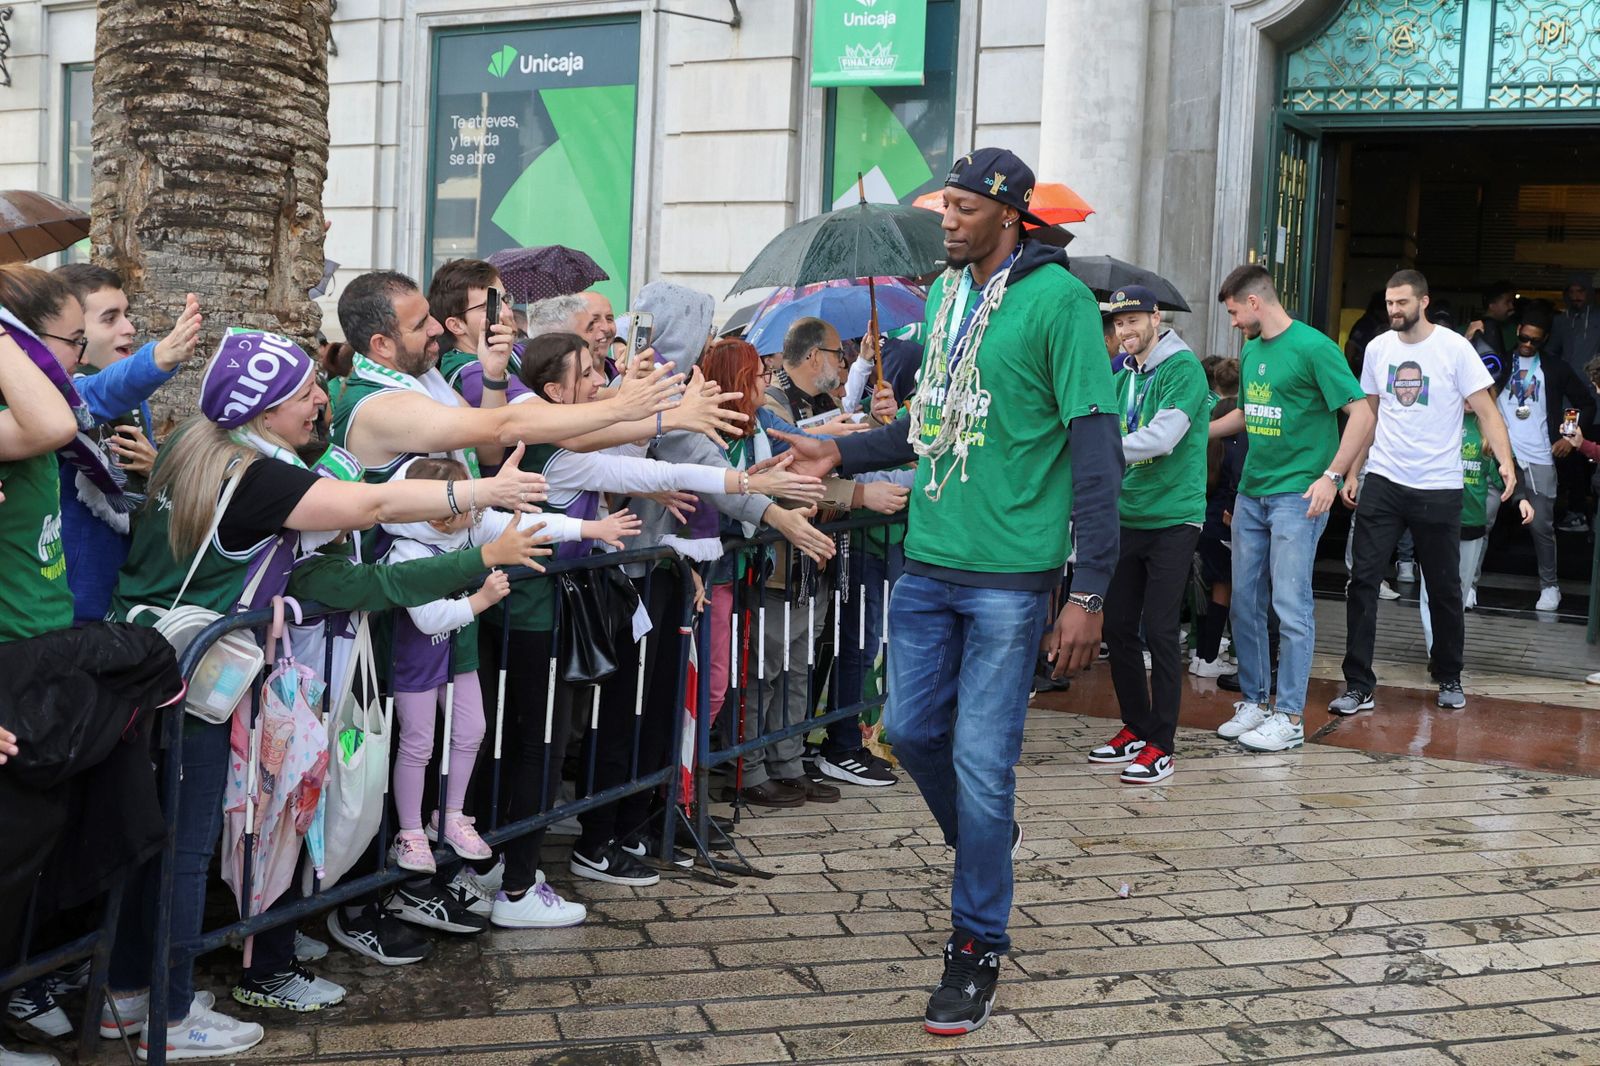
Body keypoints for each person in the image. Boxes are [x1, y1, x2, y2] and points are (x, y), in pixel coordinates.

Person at [102, 329, 548, 1058]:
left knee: (156, 847)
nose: (320, 400)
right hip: (188, 684)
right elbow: (368, 510)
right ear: (265, 408)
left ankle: (131, 994)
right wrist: (479, 492)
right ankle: (171, 1017)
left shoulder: (196, 442)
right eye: (306, 391)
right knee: (181, 853)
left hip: (146, 661)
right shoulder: (258, 478)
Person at [770, 147, 1121, 1037]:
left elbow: (1094, 451)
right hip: (928, 559)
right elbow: (929, 428)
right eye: (945, 207)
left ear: (1010, 214)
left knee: (982, 759)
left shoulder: (1061, 304)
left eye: (963, 208)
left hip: (1011, 575)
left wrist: (1090, 592)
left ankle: (975, 945)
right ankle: (986, 845)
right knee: (910, 731)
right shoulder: (950, 294)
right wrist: (838, 452)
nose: (948, 221)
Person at [494, 332, 827, 907]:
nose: (603, 382)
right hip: (535, 613)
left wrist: (742, 481)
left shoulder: (557, 429)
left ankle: (510, 869)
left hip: (553, 607)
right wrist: (745, 480)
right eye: (590, 374)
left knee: (537, 746)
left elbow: (644, 468)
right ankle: (517, 881)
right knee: (535, 749)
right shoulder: (559, 444)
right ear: (554, 389)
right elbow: (648, 476)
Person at [380, 456, 636, 875]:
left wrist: (591, 528)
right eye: (469, 501)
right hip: (418, 661)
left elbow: (531, 527)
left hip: (458, 653)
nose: (479, 509)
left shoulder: (469, 525)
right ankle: (408, 832)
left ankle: (450, 814)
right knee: (418, 744)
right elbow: (426, 618)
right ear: (442, 516)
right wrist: (481, 600)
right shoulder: (407, 549)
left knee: (473, 731)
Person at [1331, 270, 1513, 715]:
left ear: (1423, 302)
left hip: (1438, 486)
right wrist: (1354, 470)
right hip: (1385, 480)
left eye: (1402, 303)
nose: (1394, 310)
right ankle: (1358, 683)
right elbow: (1367, 414)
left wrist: (1506, 462)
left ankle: (1449, 674)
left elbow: (1487, 410)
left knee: (1445, 588)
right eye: (1390, 303)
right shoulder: (1377, 347)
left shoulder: (1454, 348)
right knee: (1363, 581)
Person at [1208, 265, 1373, 753]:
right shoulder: (1255, 349)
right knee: (1244, 602)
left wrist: (1333, 475)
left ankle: (1290, 717)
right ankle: (1257, 703)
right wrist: (1196, 431)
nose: (1234, 323)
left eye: (1235, 312)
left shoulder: (1314, 347)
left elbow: (1362, 413)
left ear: (1254, 303)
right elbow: (1249, 412)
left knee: (1291, 606)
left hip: (1297, 496)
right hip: (1252, 494)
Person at [0, 266, 90, 1059]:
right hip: (10, 657)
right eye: (69, 337)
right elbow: (51, 425)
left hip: (40, 644)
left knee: (27, 853)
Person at [1090, 286, 1211, 785]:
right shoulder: (1125, 372)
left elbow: (1162, 437)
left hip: (1174, 518)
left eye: (1133, 320)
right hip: (1128, 515)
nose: (1125, 330)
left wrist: (1102, 451)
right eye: (1118, 324)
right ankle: (1135, 728)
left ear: (1156, 317)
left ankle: (1162, 744)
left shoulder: (1182, 369)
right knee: (1117, 628)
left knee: (1160, 631)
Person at [50, 264, 202, 623]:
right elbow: (96, 396)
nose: (129, 328)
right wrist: (159, 357)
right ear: (73, 334)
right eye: (109, 318)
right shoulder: (58, 394)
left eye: (127, 314)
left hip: (121, 591)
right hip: (72, 606)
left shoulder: (134, 402)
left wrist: (156, 467)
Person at [1493, 304, 1594, 611]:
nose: (1527, 345)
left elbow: (1586, 403)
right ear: (1518, 330)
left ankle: (1550, 586)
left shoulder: (1555, 367)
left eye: (1534, 341)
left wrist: (1568, 437)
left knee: (1541, 526)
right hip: (1499, 452)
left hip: (1538, 456)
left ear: (1545, 339)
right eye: (1523, 337)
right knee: (1481, 520)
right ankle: (1468, 584)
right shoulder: (1497, 362)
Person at [1192, 356, 1242, 678]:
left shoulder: (1207, 433)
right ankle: (1209, 657)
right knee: (1224, 589)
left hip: (1204, 519)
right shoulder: (1238, 437)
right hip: (1225, 521)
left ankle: (1201, 653)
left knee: (1204, 589)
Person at [1548, 274, 1600, 532]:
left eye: (1582, 291)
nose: (1577, 295)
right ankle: (1576, 512)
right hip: (1570, 405)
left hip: (1598, 403)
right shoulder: (1560, 320)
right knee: (1571, 457)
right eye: (1573, 291)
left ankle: (1590, 516)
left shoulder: (1599, 319)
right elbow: (1551, 354)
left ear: (1590, 292)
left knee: (1594, 455)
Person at [1466, 280, 1517, 357]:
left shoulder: (1515, 330)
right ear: (1491, 304)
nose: (1511, 306)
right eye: (1507, 302)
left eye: (1512, 302)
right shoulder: (1467, 330)